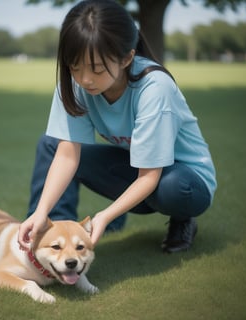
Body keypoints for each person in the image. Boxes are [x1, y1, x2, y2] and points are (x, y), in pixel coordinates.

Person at [18, 0, 216, 253]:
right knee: (50, 145)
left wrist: (105, 216)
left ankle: (182, 219)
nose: (85, 79)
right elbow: (67, 156)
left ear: (126, 58)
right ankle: (52, 232)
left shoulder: (154, 88)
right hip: (138, 166)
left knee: (172, 186)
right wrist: (41, 211)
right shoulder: (74, 86)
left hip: (186, 182)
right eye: (75, 67)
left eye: (96, 68)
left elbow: (150, 176)